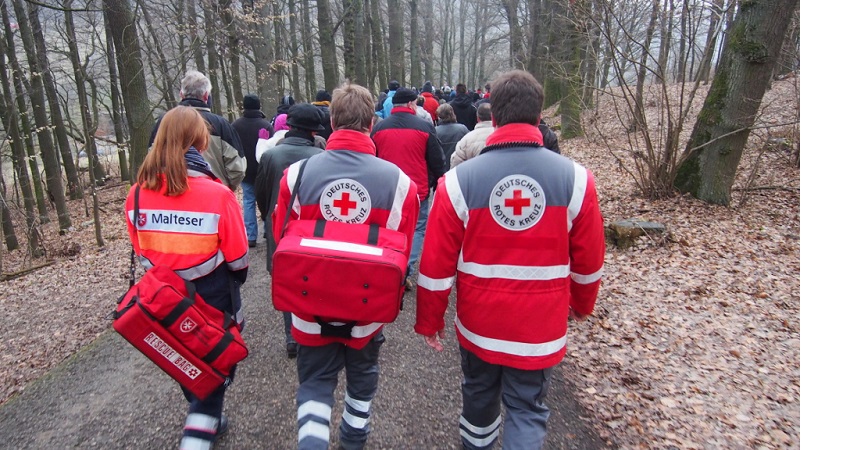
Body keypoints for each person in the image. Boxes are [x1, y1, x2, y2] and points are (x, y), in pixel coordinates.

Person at [414, 70, 605, 449]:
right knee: (528, 409)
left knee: (479, 399)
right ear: (538, 117)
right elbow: (589, 261)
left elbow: (435, 264)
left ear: (494, 117)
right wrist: (581, 306)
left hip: (480, 323)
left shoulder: (457, 182)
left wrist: (429, 320)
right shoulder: (578, 180)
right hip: (540, 327)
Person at [272, 82, 419, 450]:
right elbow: (402, 251)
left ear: (332, 121)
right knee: (363, 376)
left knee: (315, 382)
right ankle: (353, 440)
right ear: (371, 123)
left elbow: (279, 236)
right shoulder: (400, 183)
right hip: (367, 310)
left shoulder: (298, 175)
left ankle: (312, 443)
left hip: (308, 306)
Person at [127, 106, 249, 450]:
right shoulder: (218, 195)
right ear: (199, 140)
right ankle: (200, 426)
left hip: (163, 295)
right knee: (217, 363)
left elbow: (141, 249)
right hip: (212, 294)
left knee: (181, 356)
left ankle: (207, 413)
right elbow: (239, 259)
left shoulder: (136, 194)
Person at [255, 103, 326, 359]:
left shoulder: (270, 156)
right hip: (313, 226)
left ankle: (291, 337)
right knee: (314, 275)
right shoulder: (321, 156)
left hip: (280, 224)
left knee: (286, 278)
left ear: (290, 127)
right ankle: (315, 328)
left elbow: (262, 195)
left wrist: (268, 217)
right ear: (313, 132)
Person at [370, 87, 444, 288]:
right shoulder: (425, 127)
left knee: (388, 227)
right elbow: (437, 160)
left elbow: (372, 157)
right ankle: (404, 269)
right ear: (412, 104)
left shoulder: (379, 128)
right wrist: (438, 181)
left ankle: (387, 264)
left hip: (387, 190)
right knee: (417, 228)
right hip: (416, 189)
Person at [149, 70, 246, 192]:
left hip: (168, 193)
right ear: (206, 95)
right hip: (213, 195)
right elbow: (238, 167)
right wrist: (224, 188)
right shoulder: (221, 125)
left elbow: (152, 156)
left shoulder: (164, 122)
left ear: (181, 95)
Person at [232, 94, 273, 247]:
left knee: (248, 201)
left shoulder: (235, 125)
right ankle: (268, 232)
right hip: (263, 171)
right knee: (266, 202)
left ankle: (251, 236)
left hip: (245, 170)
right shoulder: (266, 125)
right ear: (259, 106)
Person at [450, 103, 495, 168]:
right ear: (493, 116)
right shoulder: (503, 135)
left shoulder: (466, 140)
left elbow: (456, 164)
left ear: (478, 118)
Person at [434, 104, 469, 173]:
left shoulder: (435, 131)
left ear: (439, 116)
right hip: (459, 168)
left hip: (442, 168)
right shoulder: (462, 129)